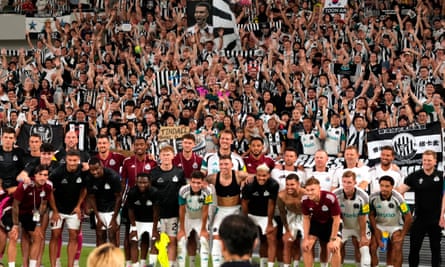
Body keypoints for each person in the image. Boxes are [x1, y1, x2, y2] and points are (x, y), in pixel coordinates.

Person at [397, 150, 443, 267]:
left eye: (429, 160)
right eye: (424, 160)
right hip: (419, 219)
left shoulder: (441, 176)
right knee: (414, 249)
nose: (426, 162)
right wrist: (405, 209)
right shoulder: (415, 176)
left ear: (435, 161)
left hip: (436, 219)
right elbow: (399, 192)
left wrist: (442, 216)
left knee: (436, 250)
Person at [205, 155, 249, 267]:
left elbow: (250, 176)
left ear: (232, 165)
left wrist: (246, 181)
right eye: (221, 164)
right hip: (221, 211)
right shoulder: (214, 177)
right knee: (216, 238)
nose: (223, 167)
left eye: (226, 164)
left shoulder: (239, 175)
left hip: (236, 211)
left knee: (238, 240)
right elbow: (203, 180)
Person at [121, 136, 157, 266]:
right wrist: (122, 200)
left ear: (146, 146)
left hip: (147, 205)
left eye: (142, 144)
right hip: (131, 203)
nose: (139, 147)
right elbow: (123, 183)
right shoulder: (127, 161)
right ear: (133, 146)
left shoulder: (153, 162)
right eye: (137, 145)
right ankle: (128, 263)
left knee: (146, 235)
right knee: (129, 235)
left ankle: (142, 263)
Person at [48, 149, 88, 267]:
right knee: (55, 236)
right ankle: (53, 265)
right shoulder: (57, 173)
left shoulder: (83, 171)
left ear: (79, 160)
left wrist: (78, 206)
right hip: (58, 210)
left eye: (75, 160)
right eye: (70, 160)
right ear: (66, 160)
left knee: (73, 236)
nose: (72, 163)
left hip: (73, 210)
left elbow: (84, 189)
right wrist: (54, 211)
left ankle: (70, 265)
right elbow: (50, 192)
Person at [8, 164, 52, 267]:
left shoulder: (48, 187)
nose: (43, 177)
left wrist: (37, 222)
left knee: (38, 237)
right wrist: (15, 225)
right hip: (13, 210)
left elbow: (44, 205)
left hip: (29, 213)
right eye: (40, 174)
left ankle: (32, 265)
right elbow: (15, 205)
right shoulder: (26, 185)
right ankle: (11, 265)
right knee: (13, 236)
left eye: (45, 175)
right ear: (35, 175)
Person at [149, 145, 186, 267]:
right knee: (156, 240)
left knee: (172, 240)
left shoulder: (179, 172)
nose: (166, 157)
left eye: (168, 154)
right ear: (159, 156)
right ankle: (153, 264)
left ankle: (169, 265)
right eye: (163, 154)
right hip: (157, 215)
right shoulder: (153, 172)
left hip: (173, 213)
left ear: (173, 156)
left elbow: (183, 192)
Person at [369, 176, 412, 267]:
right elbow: (371, 215)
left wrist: (402, 235)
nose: (384, 188)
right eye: (382, 186)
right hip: (379, 225)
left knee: (397, 246)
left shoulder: (398, 198)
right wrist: (376, 233)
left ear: (392, 187)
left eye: (387, 186)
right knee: (372, 247)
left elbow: (408, 217)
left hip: (395, 226)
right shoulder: (373, 197)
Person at [241, 164, 279, 267]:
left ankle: (268, 265)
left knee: (270, 238)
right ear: (256, 175)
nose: (261, 178)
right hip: (251, 215)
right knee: (248, 239)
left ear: (269, 175)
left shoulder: (274, 185)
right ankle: (247, 264)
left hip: (266, 216)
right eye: (259, 175)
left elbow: (271, 204)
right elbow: (244, 203)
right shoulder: (249, 186)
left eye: (264, 175)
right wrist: (246, 220)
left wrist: (270, 223)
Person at [333, 170, 371, 267]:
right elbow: (334, 216)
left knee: (364, 249)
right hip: (343, 226)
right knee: (336, 248)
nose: (346, 185)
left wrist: (363, 236)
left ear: (355, 183)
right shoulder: (335, 195)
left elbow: (363, 216)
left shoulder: (364, 196)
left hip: (359, 226)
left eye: (349, 182)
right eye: (344, 182)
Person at [301, 177, 342, 267]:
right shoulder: (304, 200)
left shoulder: (330, 197)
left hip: (331, 223)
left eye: (312, 189)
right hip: (316, 222)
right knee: (306, 246)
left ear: (319, 188)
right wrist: (306, 238)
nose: (310, 192)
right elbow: (306, 219)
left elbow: (336, 219)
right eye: (307, 190)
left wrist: (333, 239)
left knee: (334, 247)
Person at [177, 171, 212, 267]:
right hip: (187, 218)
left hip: (200, 218)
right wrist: (182, 229)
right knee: (181, 241)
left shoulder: (208, 191)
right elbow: (182, 210)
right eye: (193, 182)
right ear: (190, 182)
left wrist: (204, 229)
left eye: (198, 183)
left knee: (204, 241)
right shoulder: (183, 190)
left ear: (203, 182)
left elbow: (205, 211)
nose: (195, 185)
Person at [127, 173, 161, 267]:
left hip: (152, 221)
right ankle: (135, 265)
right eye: (140, 182)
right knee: (133, 241)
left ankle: (151, 264)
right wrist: (133, 227)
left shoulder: (155, 192)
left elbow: (156, 211)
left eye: (145, 182)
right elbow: (130, 210)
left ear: (149, 182)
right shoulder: (132, 192)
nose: (142, 185)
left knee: (155, 241)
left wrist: (155, 229)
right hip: (137, 221)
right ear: (136, 182)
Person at [87, 158, 122, 246]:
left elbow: (118, 197)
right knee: (100, 236)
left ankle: (114, 259)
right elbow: (91, 197)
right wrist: (97, 217)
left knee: (112, 235)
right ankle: (101, 259)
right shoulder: (89, 178)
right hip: (99, 210)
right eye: (92, 170)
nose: (94, 172)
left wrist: (114, 218)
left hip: (112, 210)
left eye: (96, 169)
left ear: (101, 166)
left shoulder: (113, 176)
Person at [277, 174, 306, 267]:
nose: (289, 187)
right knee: (287, 242)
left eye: (292, 184)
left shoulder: (305, 194)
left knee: (305, 244)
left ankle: (296, 265)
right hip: (290, 216)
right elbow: (282, 212)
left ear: (298, 184)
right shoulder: (281, 195)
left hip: (305, 216)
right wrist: (287, 230)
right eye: (287, 184)